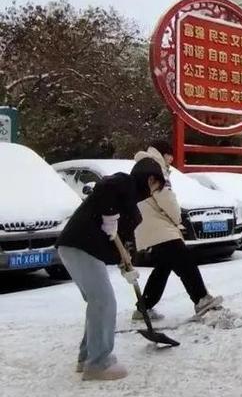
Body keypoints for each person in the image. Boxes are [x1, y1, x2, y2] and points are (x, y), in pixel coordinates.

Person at [57, 158, 165, 381]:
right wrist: (109, 216)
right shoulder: (125, 183)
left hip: (78, 248)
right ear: (150, 179)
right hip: (80, 246)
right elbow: (106, 186)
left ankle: (86, 356)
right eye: (157, 186)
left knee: (98, 303)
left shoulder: (132, 210)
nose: (155, 192)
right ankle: (98, 363)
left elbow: (120, 242)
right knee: (104, 302)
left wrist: (126, 264)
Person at [132, 141, 221, 321]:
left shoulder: (142, 166)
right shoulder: (155, 168)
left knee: (163, 266)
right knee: (185, 263)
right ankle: (201, 299)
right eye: (170, 154)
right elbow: (166, 198)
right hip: (159, 225)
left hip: (146, 225)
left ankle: (144, 307)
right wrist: (177, 219)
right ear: (162, 153)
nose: (172, 159)